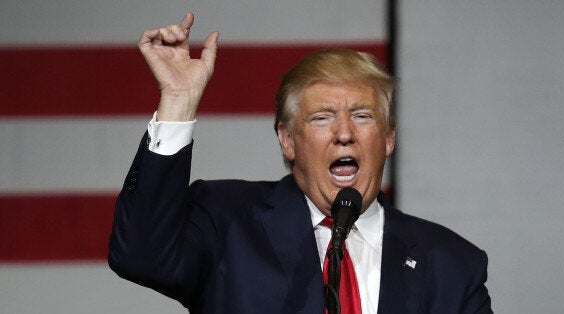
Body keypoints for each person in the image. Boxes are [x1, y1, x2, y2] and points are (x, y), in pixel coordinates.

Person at [108, 12, 492, 314]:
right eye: (322, 118)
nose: (344, 133)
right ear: (287, 140)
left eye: (362, 116)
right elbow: (141, 256)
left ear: (389, 138)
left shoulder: (451, 264)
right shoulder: (228, 225)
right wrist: (177, 100)